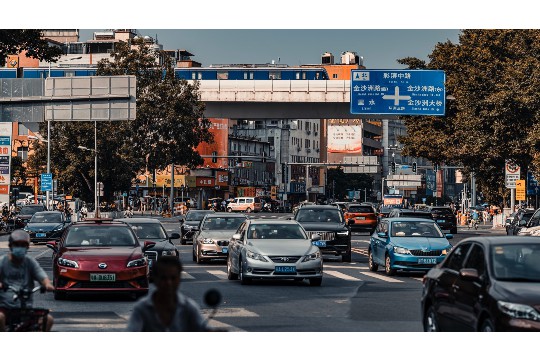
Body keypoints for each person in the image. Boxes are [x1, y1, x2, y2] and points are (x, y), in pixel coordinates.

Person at [126, 256, 208, 332]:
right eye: (163, 278)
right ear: (155, 279)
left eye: (173, 278)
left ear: (179, 278)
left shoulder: (189, 308)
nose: (168, 283)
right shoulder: (141, 309)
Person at [0, 230, 55, 332]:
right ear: (11, 246)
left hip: (26, 309)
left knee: (48, 320)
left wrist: (47, 284)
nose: (20, 248)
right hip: (5, 308)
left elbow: (41, 276)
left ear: (27, 247)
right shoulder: (2, 262)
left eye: (23, 245)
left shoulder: (29, 262)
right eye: (17, 245)